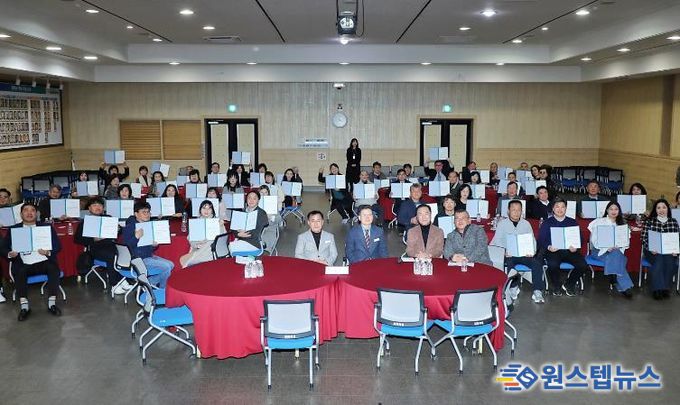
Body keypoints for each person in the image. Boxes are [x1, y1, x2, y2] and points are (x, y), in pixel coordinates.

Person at [0, 202, 62, 320]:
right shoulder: (14, 229)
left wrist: (48, 252)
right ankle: (24, 307)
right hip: (23, 263)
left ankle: (52, 304)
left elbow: (57, 246)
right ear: (21, 214)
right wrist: (10, 253)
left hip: (43, 261)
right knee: (20, 271)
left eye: (32, 210)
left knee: (53, 268)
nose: (29, 213)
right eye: (26, 210)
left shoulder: (46, 227)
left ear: (36, 213)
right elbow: (3, 248)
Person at [491, 200, 545, 303]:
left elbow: (532, 240)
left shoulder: (526, 224)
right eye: (513, 210)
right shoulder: (502, 224)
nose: (516, 212)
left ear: (522, 211)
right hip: (509, 254)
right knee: (510, 264)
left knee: (537, 263)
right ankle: (513, 287)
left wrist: (532, 251)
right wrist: (504, 251)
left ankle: (537, 290)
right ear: (508, 211)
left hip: (524, 254)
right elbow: (498, 240)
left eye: (518, 210)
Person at [75, 197, 129, 294]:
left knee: (124, 253)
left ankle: (122, 280)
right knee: (112, 255)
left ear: (103, 208)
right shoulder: (85, 222)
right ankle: (114, 284)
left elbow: (120, 231)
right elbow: (77, 239)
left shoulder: (108, 218)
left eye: (100, 205)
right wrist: (93, 239)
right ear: (89, 208)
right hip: (95, 248)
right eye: (94, 205)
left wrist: (118, 229)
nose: (97, 207)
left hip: (110, 245)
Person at [537, 197, 588, 296]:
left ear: (566, 208)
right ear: (553, 209)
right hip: (553, 251)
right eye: (557, 207)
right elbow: (541, 239)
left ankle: (569, 284)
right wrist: (549, 247)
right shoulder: (547, 222)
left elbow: (581, 239)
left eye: (562, 207)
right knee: (553, 264)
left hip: (570, 251)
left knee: (583, 265)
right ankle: (556, 286)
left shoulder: (572, 222)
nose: (560, 209)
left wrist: (576, 247)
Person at [587, 201, 634, 298]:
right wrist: (606, 248)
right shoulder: (599, 222)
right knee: (620, 259)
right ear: (607, 210)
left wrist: (619, 246)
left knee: (616, 253)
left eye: (616, 209)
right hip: (599, 251)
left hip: (616, 251)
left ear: (619, 211)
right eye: (611, 209)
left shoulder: (622, 224)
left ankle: (614, 276)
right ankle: (624, 286)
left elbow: (626, 243)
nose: (613, 211)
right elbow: (594, 240)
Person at [122, 201, 173, 288]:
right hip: (137, 259)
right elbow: (126, 248)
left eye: (148, 212)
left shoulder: (148, 226)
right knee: (167, 267)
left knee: (171, 265)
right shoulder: (130, 227)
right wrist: (136, 237)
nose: (147, 214)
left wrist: (154, 246)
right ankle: (161, 289)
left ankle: (147, 283)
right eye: (144, 212)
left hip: (148, 256)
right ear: (136, 214)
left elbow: (147, 247)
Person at [642, 199, 680, 300]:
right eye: (658, 208)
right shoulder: (649, 221)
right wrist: (650, 248)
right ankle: (658, 289)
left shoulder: (673, 222)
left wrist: (676, 250)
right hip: (651, 250)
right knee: (658, 259)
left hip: (669, 251)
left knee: (670, 261)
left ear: (668, 209)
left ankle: (664, 287)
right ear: (655, 210)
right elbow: (644, 238)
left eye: (664, 207)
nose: (661, 210)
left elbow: (678, 239)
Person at [180, 200, 225, 268]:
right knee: (183, 260)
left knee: (186, 261)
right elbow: (191, 240)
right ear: (200, 210)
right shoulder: (196, 222)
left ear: (212, 210)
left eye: (209, 208)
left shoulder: (217, 222)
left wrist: (220, 226)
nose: (206, 210)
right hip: (198, 249)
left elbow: (221, 240)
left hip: (210, 250)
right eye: (204, 208)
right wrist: (197, 245)